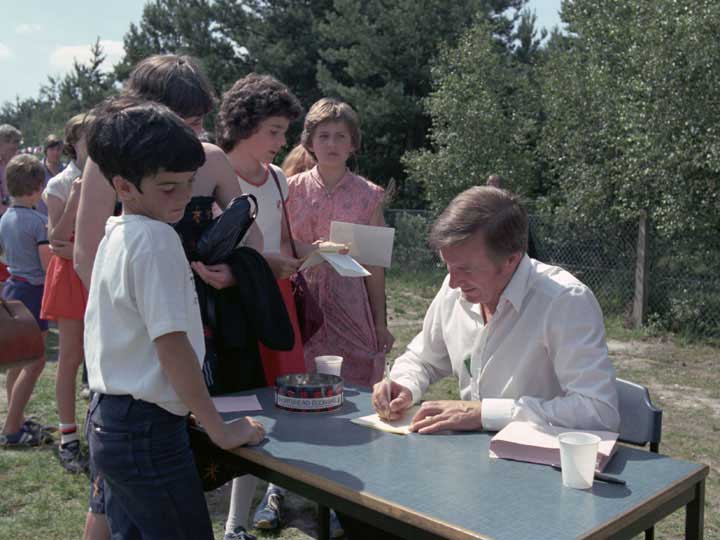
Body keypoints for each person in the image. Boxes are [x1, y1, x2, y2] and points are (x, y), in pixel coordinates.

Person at [74, 54, 267, 540]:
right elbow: (172, 346)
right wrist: (219, 428)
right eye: (167, 188)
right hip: (149, 430)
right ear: (123, 185)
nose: (182, 200)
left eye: (187, 185)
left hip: (109, 419)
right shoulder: (157, 240)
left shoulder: (119, 231)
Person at [372, 186, 620, 434]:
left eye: (466, 270)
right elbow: (423, 359)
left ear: (512, 259)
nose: (453, 282)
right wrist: (403, 384)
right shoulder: (455, 287)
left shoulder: (565, 302)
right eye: (447, 266)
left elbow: (599, 411)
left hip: (541, 466)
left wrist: (484, 413)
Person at [216, 72, 315, 537]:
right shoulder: (212, 171)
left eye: (284, 131)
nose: (283, 141)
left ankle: (254, 506)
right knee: (239, 407)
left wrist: (296, 260)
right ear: (243, 123)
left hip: (274, 303)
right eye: (274, 130)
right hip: (229, 305)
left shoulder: (278, 178)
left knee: (275, 406)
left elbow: (275, 244)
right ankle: (233, 521)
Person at [287, 99, 394, 384]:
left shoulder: (369, 195)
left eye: (340, 136)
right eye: (323, 136)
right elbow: (280, 246)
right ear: (310, 142)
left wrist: (380, 323)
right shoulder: (289, 189)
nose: (331, 144)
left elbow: (374, 263)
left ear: (352, 144)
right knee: (302, 383)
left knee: (355, 385)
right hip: (302, 302)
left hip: (351, 304)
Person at [39, 113, 93, 473]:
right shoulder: (60, 183)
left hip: (100, 271)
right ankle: (68, 437)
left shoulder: (111, 175)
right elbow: (55, 239)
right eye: (92, 137)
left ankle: (99, 431)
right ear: (75, 141)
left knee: (103, 355)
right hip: (72, 277)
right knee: (71, 357)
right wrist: (75, 198)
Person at [0, 154, 52, 447]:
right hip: (33, 294)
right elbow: (47, 267)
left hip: (12, 290)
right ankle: (12, 428)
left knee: (18, 362)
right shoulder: (39, 222)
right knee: (35, 362)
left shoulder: (5, 218)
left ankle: (15, 417)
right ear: (37, 187)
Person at [0, 124, 22, 291]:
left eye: (18, 142)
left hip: (16, 219)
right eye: (13, 141)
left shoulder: (18, 165)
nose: (17, 146)